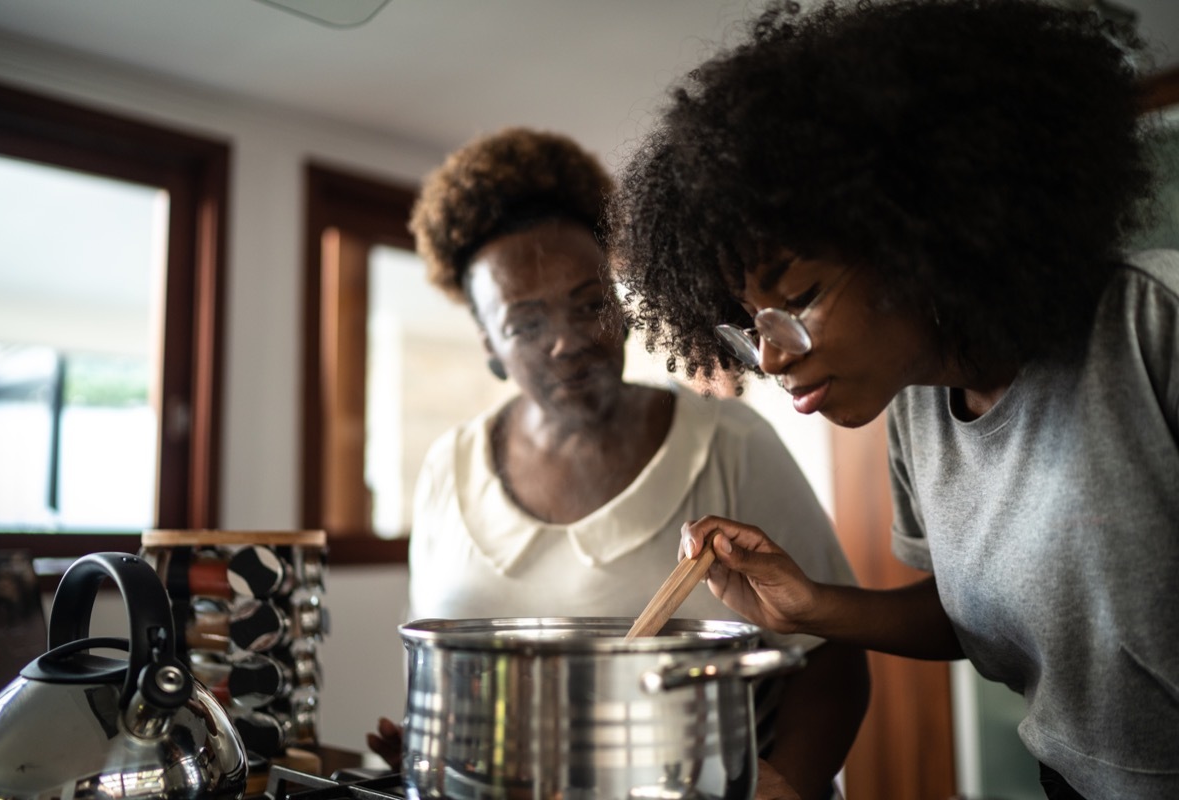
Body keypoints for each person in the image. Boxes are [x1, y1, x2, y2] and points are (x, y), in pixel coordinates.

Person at [608, 0, 1178, 798]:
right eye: (746, 326)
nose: (770, 354)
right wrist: (808, 605)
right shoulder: (918, 410)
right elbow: (977, 617)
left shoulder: (1154, 323)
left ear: (920, 236)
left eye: (797, 298)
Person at [367, 127, 869, 800]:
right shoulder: (445, 472)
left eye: (589, 304)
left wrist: (787, 786)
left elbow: (832, 663)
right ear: (490, 346)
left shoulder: (728, 443)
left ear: (624, 309)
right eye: (526, 324)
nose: (568, 342)